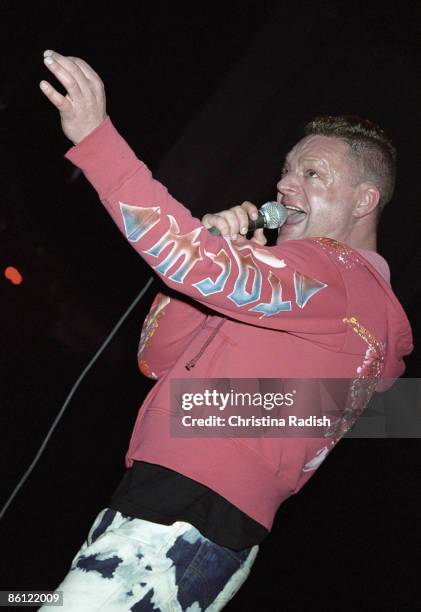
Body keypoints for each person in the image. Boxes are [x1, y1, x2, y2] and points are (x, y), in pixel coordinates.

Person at [39, 49, 413, 611]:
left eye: (312, 174)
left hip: (186, 512)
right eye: (287, 169)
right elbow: (158, 359)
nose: (285, 185)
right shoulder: (329, 303)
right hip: (175, 507)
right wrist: (222, 256)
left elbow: (186, 265)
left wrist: (96, 139)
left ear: (365, 200)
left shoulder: (337, 274)